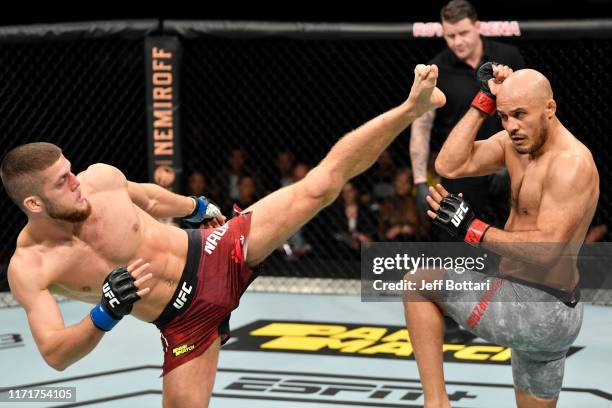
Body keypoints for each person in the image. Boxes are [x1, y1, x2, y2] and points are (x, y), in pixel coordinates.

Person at [2, 63, 446, 408]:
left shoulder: (98, 179)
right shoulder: (31, 267)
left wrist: (196, 206)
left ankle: (412, 106)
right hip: (184, 323)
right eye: (62, 183)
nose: (76, 181)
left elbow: (149, 199)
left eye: (69, 170)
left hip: (216, 250)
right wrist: (105, 312)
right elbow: (56, 355)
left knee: (320, 185)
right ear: (34, 205)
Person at [403, 63, 599, 407]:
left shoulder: (571, 163)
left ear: (550, 109)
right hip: (547, 310)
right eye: (505, 116)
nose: (512, 127)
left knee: (418, 283)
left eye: (520, 115)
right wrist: (484, 101)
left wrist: (471, 229)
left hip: (536, 307)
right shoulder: (515, 145)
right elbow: (449, 165)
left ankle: (436, 404)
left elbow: (546, 250)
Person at [410, 0, 525, 228]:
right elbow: (421, 126)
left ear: (477, 26)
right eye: (450, 35)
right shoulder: (436, 69)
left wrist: (517, 160)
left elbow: (526, 111)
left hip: (506, 164)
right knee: (457, 250)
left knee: (516, 241)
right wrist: (420, 180)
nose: (458, 42)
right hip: (459, 171)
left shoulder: (507, 57)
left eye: (463, 33)